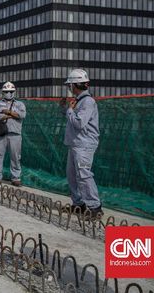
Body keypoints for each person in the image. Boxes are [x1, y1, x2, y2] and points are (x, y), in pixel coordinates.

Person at [60, 69, 103, 218]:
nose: (69, 88)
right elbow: (72, 119)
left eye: (70, 85)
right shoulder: (78, 101)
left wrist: (70, 110)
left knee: (84, 175)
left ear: (75, 85)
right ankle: (78, 204)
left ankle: (94, 207)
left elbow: (79, 123)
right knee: (72, 175)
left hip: (84, 145)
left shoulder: (88, 102)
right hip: (75, 144)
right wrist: (65, 108)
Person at [0, 82, 26, 187]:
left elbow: (22, 115)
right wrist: (12, 115)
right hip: (0, 134)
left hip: (15, 134)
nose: (9, 93)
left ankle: (16, 178)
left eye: (11, 91)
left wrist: (7, 112)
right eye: (6, 91)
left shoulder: (20, 104)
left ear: (14, 92)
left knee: (15, 157)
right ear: (3, 92)